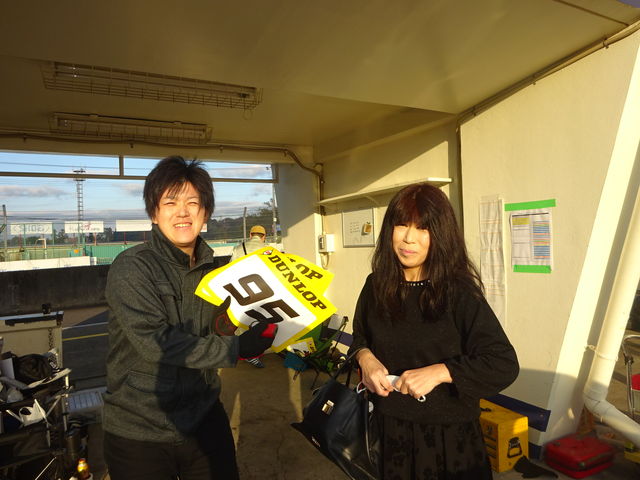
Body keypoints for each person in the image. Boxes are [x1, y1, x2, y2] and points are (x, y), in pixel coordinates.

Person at [102, 156, 275, 480]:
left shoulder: (215, 272)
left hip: (204, 418)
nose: (182, 212)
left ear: (205, 213)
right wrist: (237, 348)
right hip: (139, 431)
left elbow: (219, 327)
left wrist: (257, 320)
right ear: (154, 213)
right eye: (170, 202)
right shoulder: (132, 267)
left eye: (193, 203)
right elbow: (156, 343)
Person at [349, 182, 519, 480]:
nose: (409, 238)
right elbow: (360, 337)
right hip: (390, 432)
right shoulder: (375, 285)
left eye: (423, 228)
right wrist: (366, 359)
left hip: (449, 439)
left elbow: (503, 363)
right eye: (402, 224)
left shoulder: (458, 292)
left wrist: (441, 372)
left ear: (440, 234)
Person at [230, 224, 268, 367]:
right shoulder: (269, 250)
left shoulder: (238, 248)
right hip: (263, 290)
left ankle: (239, 351)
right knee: (259, 320)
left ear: (251, 235)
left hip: (242, 290)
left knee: (242, 319)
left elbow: (230, 269)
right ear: (264, 237)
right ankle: (253, 354)